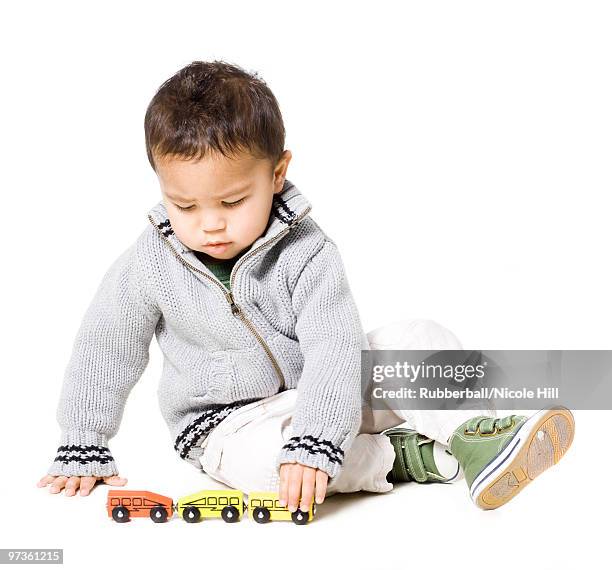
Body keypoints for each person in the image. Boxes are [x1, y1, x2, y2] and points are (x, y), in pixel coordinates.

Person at [37, 60, 575, 512]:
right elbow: (105, 346)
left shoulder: (308, 252)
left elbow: (334, 349)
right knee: (271, 473)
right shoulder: (148, 265)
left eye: (230, 202)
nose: (210, 224)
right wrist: (83, 440)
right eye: (184, 205)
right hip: (228, 425)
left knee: (419, 334)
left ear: (276, 174)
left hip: (327, 391)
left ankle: (477, 436)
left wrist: (317, 430)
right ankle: (401, 457)